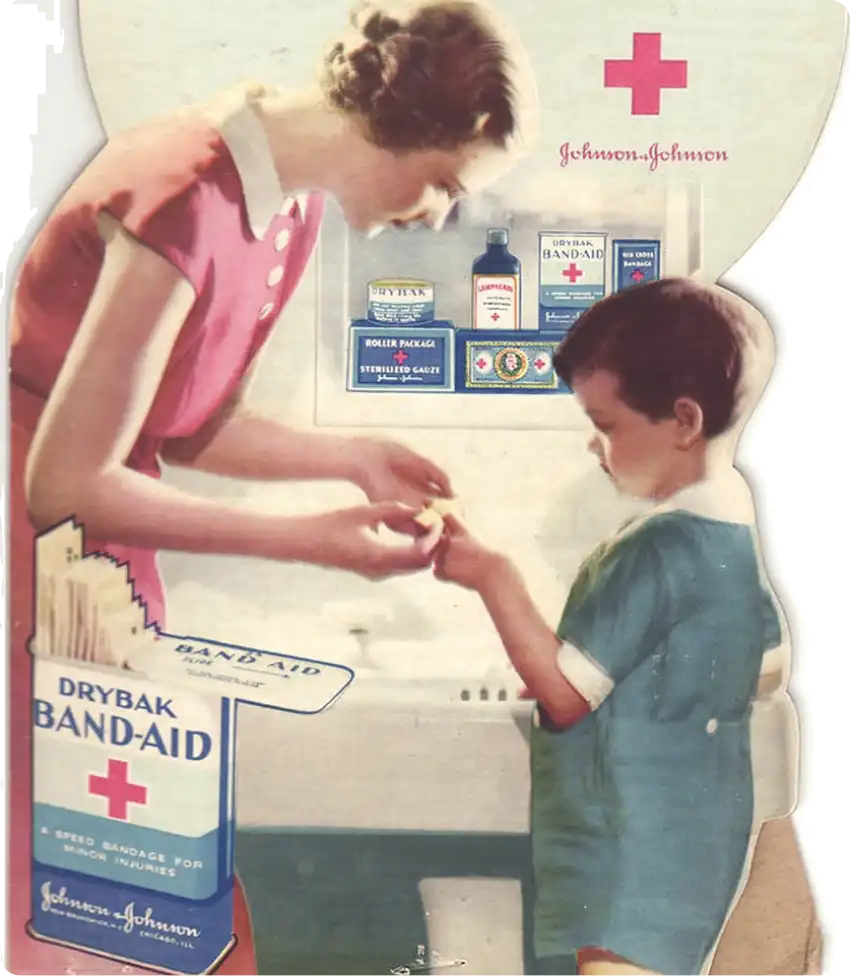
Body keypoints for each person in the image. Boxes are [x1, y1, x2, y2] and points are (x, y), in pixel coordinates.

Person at [7, 2, 526, 972]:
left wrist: (349, 457)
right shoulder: (184, 194)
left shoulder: (279, 205)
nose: (442, 213)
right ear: (394, 127)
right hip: (29, 568)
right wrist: (309, 538)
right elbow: (64, 480)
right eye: (446, 181)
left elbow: (183, 423)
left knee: (150, 877)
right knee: (83, 888)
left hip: (101, 569)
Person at [431, 279, 821, 976]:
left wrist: (493, 578)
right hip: (698, 834)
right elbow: (771, 661)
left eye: (605, 424)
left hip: (625, 842)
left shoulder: (657, 548)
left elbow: (565, 693)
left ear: (682, 422)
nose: (592, 444)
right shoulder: (732, 529)